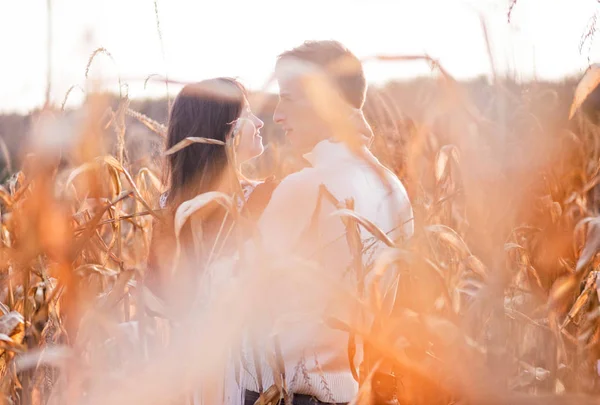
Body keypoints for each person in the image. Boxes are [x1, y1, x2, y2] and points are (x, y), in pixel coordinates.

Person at [237, 40, 415, 405]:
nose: (277, 116)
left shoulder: (307, 188)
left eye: (288, 99)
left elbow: (235, 303)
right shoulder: (394, 188)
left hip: (291, 397)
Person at [146, 77, 276, 308]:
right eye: (246, 113)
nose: (259, 123)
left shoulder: (169, 206)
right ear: (221, 128)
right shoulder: (263, 197)